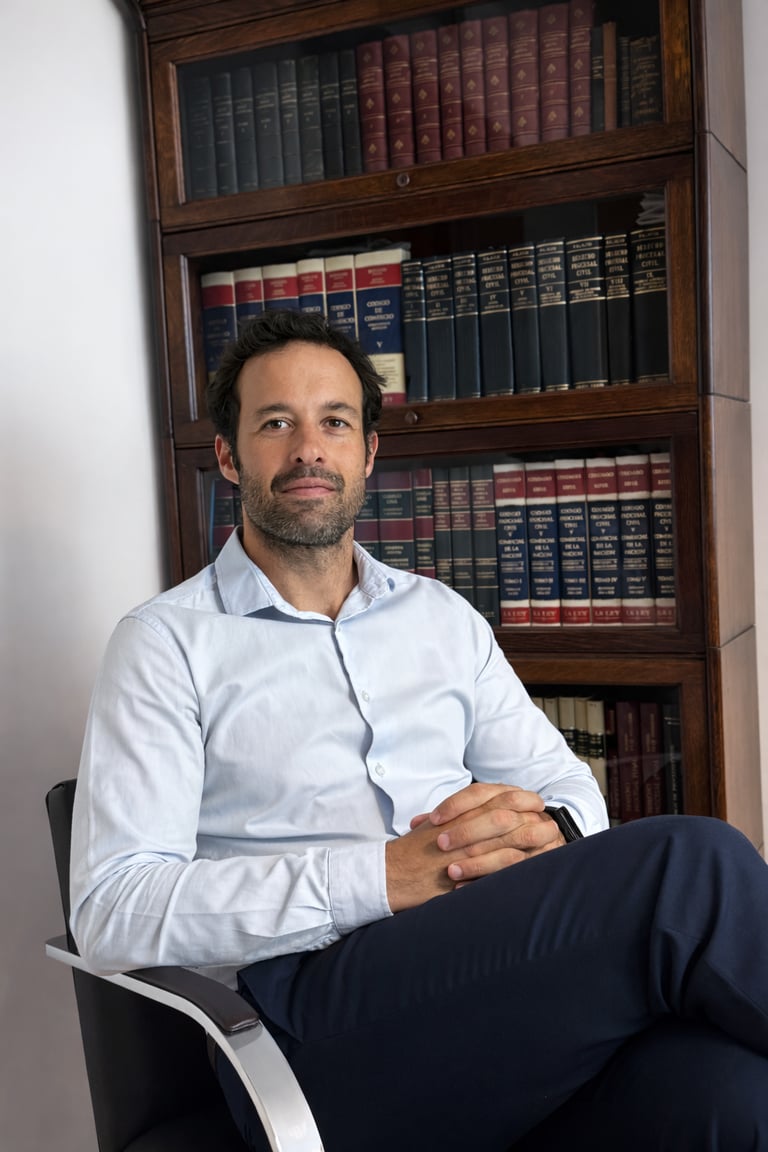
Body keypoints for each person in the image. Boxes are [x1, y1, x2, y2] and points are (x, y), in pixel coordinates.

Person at [70, 309, 768, 1152]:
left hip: (486, 980)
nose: (308, 450)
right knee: (690, 862)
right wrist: (382, 877)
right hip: (307, 1034)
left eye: (334, 422)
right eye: (276, 423)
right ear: (228, 456)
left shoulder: (439, 616)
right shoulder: (164, 643)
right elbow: (112, 910)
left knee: (732, 1095)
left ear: (368, 453)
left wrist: (535, 832)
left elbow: (569, 792)